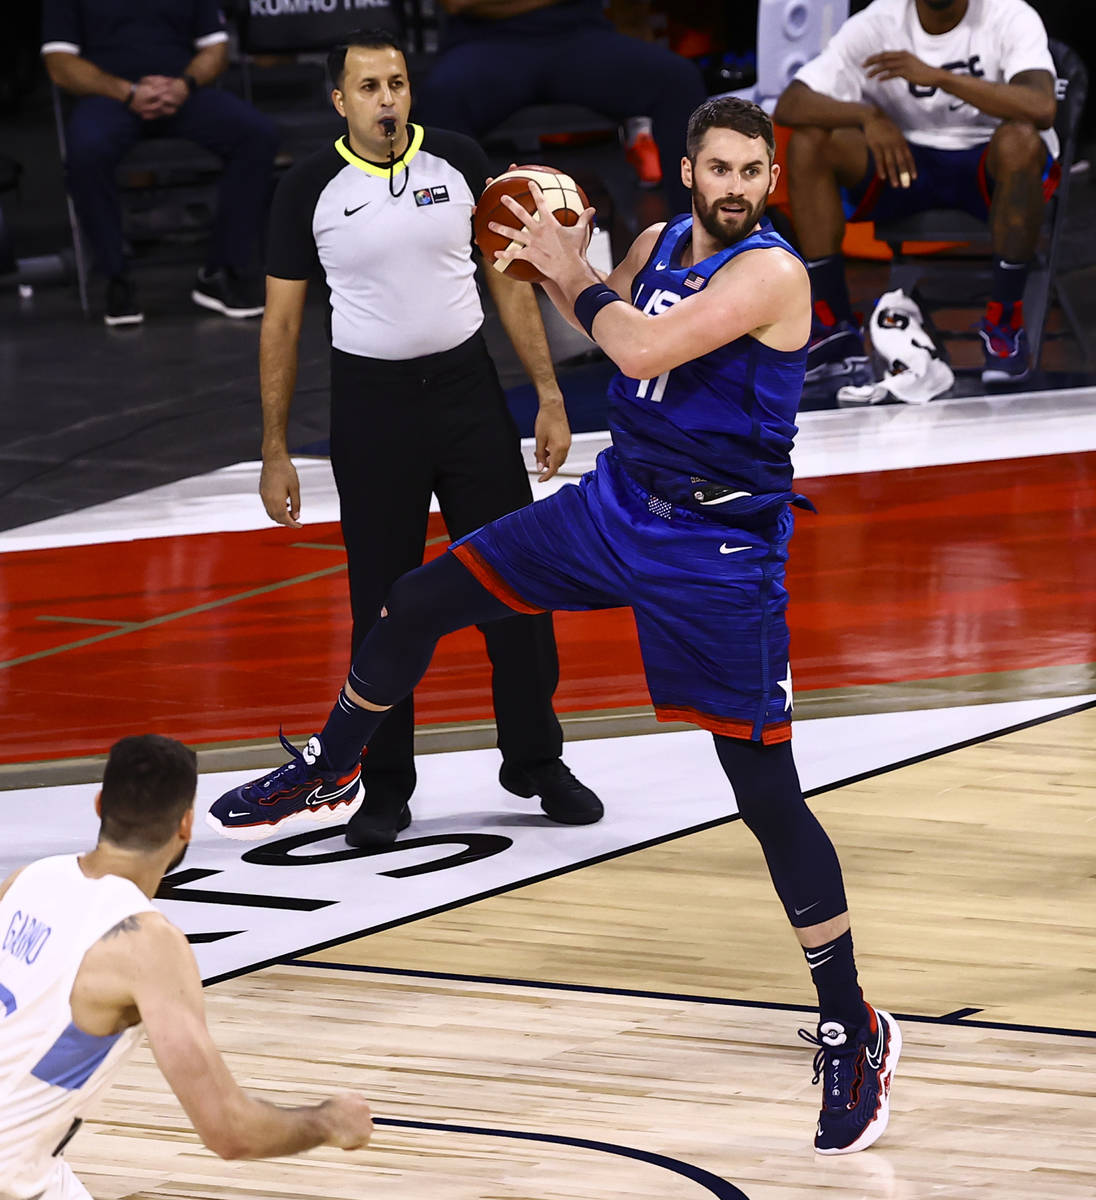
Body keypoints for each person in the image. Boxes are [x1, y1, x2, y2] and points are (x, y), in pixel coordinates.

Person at [211, 95, 901, 1155]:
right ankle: (334, 765)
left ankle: (852, 1023)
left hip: (716, 552)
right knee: (418, 598)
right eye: (716, 167)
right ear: (686, 169)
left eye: (750, 172)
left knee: (763, 794)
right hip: (617, 506)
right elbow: (592, 314)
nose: (732, 187)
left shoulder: (771, 272)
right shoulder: (661, 240)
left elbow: (633, 347)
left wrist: (571, 270)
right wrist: (547, 250)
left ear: (769, 181)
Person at [219, 28, 601, 850]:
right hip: (371, 407)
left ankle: (535, 759)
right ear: (339, 100)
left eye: (396, 83)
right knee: (383, 604)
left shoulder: (461, 161)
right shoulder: (308, 188)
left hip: (467, 394)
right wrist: (275, 448)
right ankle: (386, 786)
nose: (386, 98)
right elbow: (280, 326)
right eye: (368, 87)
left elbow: (512, 289)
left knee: (516, 581)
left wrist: (547, 395)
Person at [0, 734, 373, 1200]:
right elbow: (229, 1130)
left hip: (32, 1164)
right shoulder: (148, 945)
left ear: (99, 805)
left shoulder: (27, 879)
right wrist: (329, 1121)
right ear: (186, 825)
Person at [772, 0, 1059, 385]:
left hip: (985, 163)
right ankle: (835, 325)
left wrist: (939, 77)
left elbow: (1041, 107)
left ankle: (1004, 322)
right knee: (810, 142)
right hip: (906, 163)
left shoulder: (1008, 14)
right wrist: (866, 116)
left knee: (1022, 140)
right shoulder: (879, 22)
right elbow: (790, 104)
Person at [41, 0, 279, 326]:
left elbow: (215, 48)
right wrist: (127, 91)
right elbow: (60, 63)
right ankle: (117, 277)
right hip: (108, 96)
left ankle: (221, 271)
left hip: (182, 91)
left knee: (257, 134)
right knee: (85, 152)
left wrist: (184, 85)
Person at [414, 0, 708, 215]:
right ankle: (461, 259)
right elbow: (458, 3)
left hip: (578, 36)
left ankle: (695, 240)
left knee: (678, 81)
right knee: (439, 99)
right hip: (485, 42)